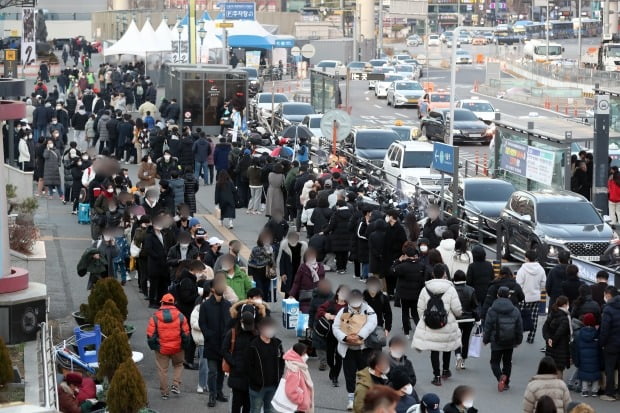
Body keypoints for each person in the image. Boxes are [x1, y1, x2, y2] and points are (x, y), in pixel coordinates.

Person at [412, 264, 463, 387]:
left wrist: (424, 319)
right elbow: (457, 309)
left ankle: (437, 376)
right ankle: (446, 370)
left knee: (434, 350)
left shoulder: (425, 289)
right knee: (446, 347)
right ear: (444, 274)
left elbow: (420, 307)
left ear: (433, 274)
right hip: (446, 323)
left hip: (430, 324)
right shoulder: (450, 289)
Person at [333, 289, 378, 410]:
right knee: (349, 375)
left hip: (364, 349)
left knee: (366, 375)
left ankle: (366, 398)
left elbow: (372, 324)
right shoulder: (343, 311)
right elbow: (336, 327)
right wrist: (345, 337)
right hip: (348, 349)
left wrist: (360, 335)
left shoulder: (368, 310)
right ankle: (351, 399)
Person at [146, 293, 190, 400]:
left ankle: (164, 392)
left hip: (162, 349)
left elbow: (150, 336)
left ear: (162, 302)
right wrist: (184, 346)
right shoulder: (180, 316)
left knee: (162, 370)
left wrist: (155, 347)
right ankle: (175, 384)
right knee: (179, 365)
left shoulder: (155, 317)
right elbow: (186, 334)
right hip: (177, 348)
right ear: (173, 303)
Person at [199, 272, 232, 407]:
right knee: (212, 371)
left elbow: (231, 324)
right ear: (212, 289)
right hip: (211, 344)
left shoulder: (227, 305)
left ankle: (219, 391)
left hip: (224, 345)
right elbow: (202, 324)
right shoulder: (205, 306)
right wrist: (209, 335)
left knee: (221, 371)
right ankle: (212, 394)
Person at [483, 286, 523, 392]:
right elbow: (519, 327)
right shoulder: (514, 310)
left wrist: (486, 339)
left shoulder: (492, 310)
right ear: (509, 295)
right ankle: (506, 383)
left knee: (494, 362)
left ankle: (500, 377)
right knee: (507, 362)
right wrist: (518, 340)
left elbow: (488, 326)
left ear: (497, 295)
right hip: (510, 340)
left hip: (496, 340)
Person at [224, 305, 259, 413]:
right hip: (237, 375)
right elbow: (224, 350)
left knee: (248, 405)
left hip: (251, 376)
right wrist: (233, 363)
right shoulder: (233, 333)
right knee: (236, 404)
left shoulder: (257, 335)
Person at [246, 317, 284, 413]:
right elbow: (248, 366)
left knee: (269, 409)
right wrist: (255, 380)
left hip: (273, 385)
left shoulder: (277, 344)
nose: (271, 330)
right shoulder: (253, 346)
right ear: (262, 329)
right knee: (255, 409)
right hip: (258, 387)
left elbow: (281, 362)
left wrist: (279, 376)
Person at [316, 284, 349, 387]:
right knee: (330, 358)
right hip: (330, 334)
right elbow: (320, 310)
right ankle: (332, 369)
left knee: (339, 358)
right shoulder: (330, 303)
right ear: (337, 293)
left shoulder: (349, 306)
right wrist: (327, 315)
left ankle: (335, 377)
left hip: (342, 335)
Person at [391, 241, 425, 337]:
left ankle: (407, 333)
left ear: (406, 255)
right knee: (415, 313)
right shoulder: (421, 266)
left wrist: (398, 261)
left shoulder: (402, 266)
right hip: (416, 293)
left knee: (405, 312)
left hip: (404, 294)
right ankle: (420, 330)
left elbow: (392, 271)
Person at [516, 250, 546, 344]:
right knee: (534, 318)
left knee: (519, 317)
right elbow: (543, 283)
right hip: (536, 297)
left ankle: (518, 337)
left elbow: (518, 284)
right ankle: (531, 338)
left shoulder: (522, 270)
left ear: (527, 258)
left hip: (524, 297)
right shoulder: (540, 269)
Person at [144, 217, 172, 308]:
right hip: (154, 265)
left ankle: (160, 301)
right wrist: (157, 256)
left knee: (161, 284)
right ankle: (152, 302)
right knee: (154, 285)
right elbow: (148, 249)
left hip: (163, 265)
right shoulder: (149, 236)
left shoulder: (163, 234)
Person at [453, 270, 478, 370]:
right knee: (465, 339)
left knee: (456, 338)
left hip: (456, 319)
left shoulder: (452, 290)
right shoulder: (471, 290)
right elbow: (475, 306)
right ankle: (463, 360)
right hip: (469, 319)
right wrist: (477, 319)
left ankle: (458, 354)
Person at [573, 313, 601, 397]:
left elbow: (577, 347)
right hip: (595, 357)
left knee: (584, 373)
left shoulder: (580, 333)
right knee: (595, 373)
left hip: (583, 357)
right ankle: (594, 391)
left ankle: (584, 390)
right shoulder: (596, 333)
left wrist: (577, 360)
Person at [599, 286, 620, 401]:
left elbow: (605, 329)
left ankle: (610, 392)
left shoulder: (608, 308)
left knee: (610, 368)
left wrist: (601, 343)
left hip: (611, 344)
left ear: (608, 295)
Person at [308, 278, 333, 371]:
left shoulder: (333, 297)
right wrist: (310, 325)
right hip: (317, 324)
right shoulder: (315, 298)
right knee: (318, 344)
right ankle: (323, 362)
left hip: (329, 324)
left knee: (328, 343)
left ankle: (329, 358)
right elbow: (311, 312)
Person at [290, 248, 326, 313]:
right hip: (305, 298)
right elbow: (296, 283)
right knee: (306, 314)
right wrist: (292, 295)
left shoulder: (321, 267)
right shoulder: (302, 267)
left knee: (318, 313)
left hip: (317, 296)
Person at [282, 342, 315, 413]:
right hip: (299, 407)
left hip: (299, 405)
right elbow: (290, 391)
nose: (306, 355)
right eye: (304, 353)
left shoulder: (297, 365)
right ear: (298, 354)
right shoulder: (295, 370)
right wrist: (302, 400)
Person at [543, 296, 572, 374]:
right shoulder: (565, 317)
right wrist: (553, 341)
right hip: (561, 348)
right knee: (559, 370)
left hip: (550, 347)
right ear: (565, 305)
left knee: (550, 370)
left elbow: (545, 328)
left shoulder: (552, 313)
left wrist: (548, 339)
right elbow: (560, 332)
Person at [324, 199, 354, 274]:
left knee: (339, 253)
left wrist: (325, 231)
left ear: (338, 206)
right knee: (345, 252)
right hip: (347, 236)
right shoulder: (350, 213)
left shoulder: (336, 214)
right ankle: (344, 267)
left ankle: (339, 268)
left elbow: (331, 226)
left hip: (337, 236)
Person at [383, 209, 407, 295]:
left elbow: (404, 242)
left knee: (395, 274)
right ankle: (390, 293)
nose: (386, 217)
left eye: (388, 215)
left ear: (392, 217)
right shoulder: (387, 227)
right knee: (388, 274)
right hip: (387, 255)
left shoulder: (400, 229)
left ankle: (396, 293)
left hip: (396, 255)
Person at [276, 231, 307, 296]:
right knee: (288, 292)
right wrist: (282, 273)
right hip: (288, 274)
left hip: (299, 272)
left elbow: (306, 261)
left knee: (298, 292)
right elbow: (282, 261)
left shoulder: (303, 247)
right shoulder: (285, 247)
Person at [248, 230, 275, 302]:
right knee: (259, 291)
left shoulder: (271, 249)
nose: (267, 240)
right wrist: (250, 275)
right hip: (257, 273)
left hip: (267, 274)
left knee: (266, 291)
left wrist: (270, 253)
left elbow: (272, 262)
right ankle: (258, 306)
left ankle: (265, 307)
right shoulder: (256, 249)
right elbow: (250, 262)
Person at [190, 287, 208, 394]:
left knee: (212, 367)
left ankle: (209, 384)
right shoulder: (198, 308)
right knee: (204, 365)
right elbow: (193, 323)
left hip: (213, 340)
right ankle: (201, 384)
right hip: (202, 341)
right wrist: (206, 326)